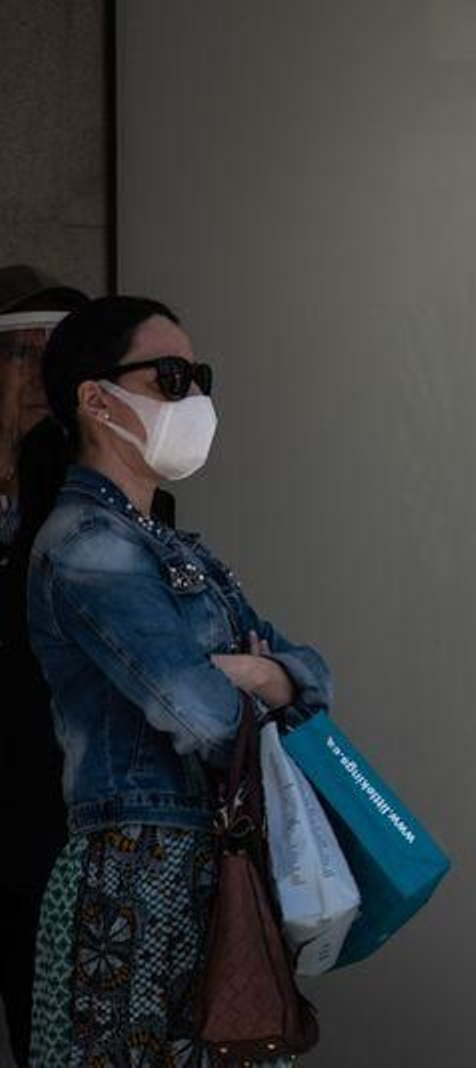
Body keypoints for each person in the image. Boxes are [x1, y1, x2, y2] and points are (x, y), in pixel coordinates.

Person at [17, 296, 332, 1064]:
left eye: (200, 377)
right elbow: (202, 714)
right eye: (170, 377)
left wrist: (262, 673)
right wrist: (259, 685)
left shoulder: (178, 548)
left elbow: (313, 680)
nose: (194, 398)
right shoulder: (86, 544)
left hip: (213, 867)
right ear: (96, 400)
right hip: (135, 872)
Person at [0, 265, 87, 1065]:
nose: (37, 381)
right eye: (20, 355)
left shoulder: (94, 502)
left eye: (54, 360)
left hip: (51, 832)